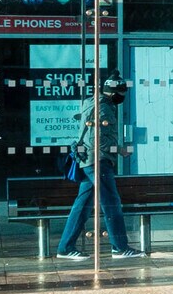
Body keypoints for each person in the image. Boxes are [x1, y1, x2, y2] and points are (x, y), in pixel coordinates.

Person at [57, 75, 140, 261]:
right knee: (111, 202)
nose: (122, 97)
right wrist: (119, 149)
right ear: (114, 92)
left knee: (83, 205)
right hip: (98, 161)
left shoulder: (94, 103)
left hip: (90, 161)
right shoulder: (103, 108)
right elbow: (98, 140)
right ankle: (120, 247)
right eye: (121, 93)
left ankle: (65, 247)